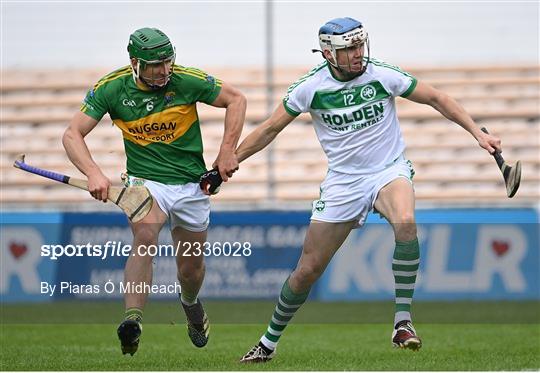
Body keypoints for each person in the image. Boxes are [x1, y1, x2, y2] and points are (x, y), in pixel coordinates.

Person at [231, 17, 501, 362]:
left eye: (360, 46)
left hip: (388, 170)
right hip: (343, 182)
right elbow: (269, 129)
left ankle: (402, 322)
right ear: (329, 54)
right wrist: (230, 160)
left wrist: (478, 133)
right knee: (307, 270)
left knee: (405, 222)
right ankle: (267, 343)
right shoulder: (310, 87)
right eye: (349, 50)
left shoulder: (381, 74)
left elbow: (436, 98)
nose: (358, 54)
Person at [62, 27, 246, 355]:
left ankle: (189, 302)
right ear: (135, 62)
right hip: (145, 180)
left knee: (190, 269)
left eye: (167, 62)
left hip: (191, 184)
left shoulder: (186, 80)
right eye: (154, 65)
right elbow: (72, 134)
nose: (163, 71)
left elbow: (236, 99)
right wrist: (93, 173)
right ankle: (133, 319)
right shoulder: (111, 88)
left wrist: (227, 151)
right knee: (145, 234)